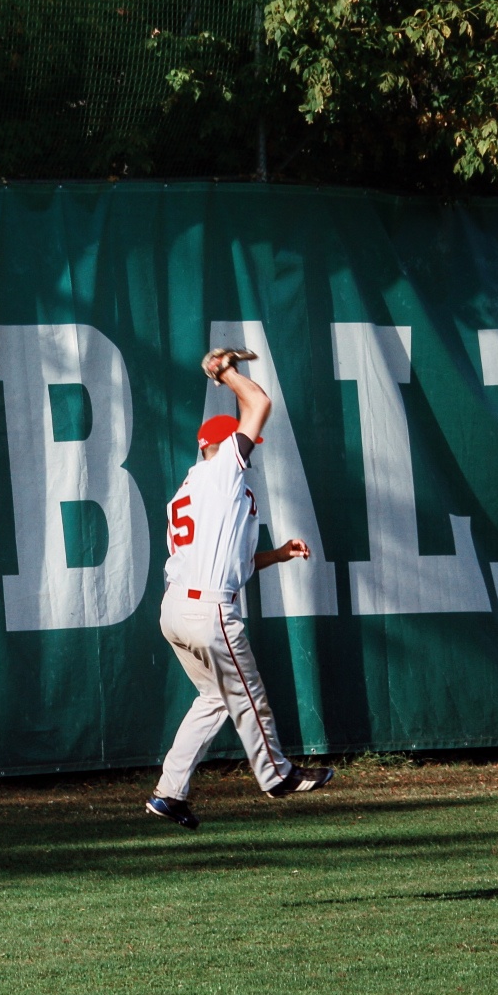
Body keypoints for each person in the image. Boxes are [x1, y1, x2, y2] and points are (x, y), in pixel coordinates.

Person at [145, 347, 335, 830]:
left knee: (215, 700)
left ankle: (170, 793)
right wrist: (228, 373)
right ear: (226, 444)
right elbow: (259, 404)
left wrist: (278, 555)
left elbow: (234, 563)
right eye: (245, 442)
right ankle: (277, 774)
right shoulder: (223, 470)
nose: (252, 448)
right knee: (250, 693)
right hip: (208, 612)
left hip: (175, 612)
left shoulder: (188, 492)